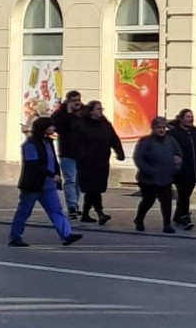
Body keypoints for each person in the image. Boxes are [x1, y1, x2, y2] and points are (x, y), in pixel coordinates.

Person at [8, 117, 83, 247]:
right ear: (43, 128)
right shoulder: (30, 144)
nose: (53, 128)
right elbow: (33, 164)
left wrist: (55, 175)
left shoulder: (48, 142)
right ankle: (15, 237)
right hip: (33, 184)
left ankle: (66, 235)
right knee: (24, 211)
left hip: (48, 185)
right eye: (50, 126)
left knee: (56, 209)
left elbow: (52, 161)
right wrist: (51, 174)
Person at [74, 100, 124, 225]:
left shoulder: (104, 123)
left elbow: (113, 138)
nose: (101, 111)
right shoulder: (82, 124)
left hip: (101, 161)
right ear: (91, 111)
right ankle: (100, 213)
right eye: (98, 109)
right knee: (92, 188)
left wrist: (119, 151)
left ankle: (85, 214)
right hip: (87, 162)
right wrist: (83, 156)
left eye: (101, 108)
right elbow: (77, 143)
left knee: (95, 188)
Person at [133, 116, 183, 233]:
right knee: (148, 201)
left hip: (166, 177)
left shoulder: (170, 140)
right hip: (148, 179)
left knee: (166, 202)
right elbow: (138, 158)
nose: (161, 130)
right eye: (158, 127)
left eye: (163, 127)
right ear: (153, 128)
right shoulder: (146, 141)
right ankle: (139, 219)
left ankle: (167, 225)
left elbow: (178, 154)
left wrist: (176, 165)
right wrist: (148, 170)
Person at [50, 90, 84, 218]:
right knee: (70, 179)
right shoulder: (61, 113)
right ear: (68, 101)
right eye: (74, 101)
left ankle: (76, 204)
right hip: (67, 151)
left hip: (81, 152)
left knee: (79, 181)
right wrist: (68, 113)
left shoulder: (83, 112)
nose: (77, 103)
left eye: (78, 100)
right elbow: (54, 124)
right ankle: (72, 206)